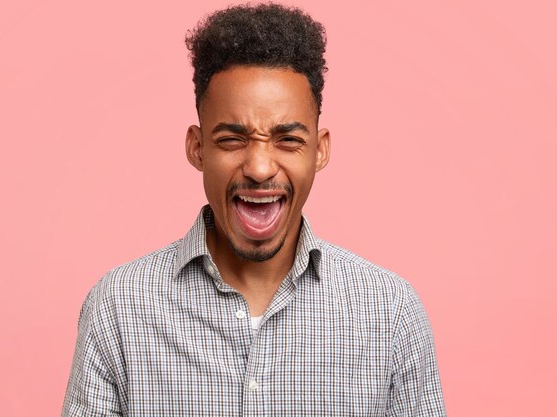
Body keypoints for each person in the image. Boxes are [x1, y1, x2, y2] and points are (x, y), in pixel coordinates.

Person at [61, 3, 446, 416]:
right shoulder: (118, 310)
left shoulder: (391, 315)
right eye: (232, 139)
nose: (260, 168)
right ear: (197, 147)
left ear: (320, 150)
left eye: (287, 140)